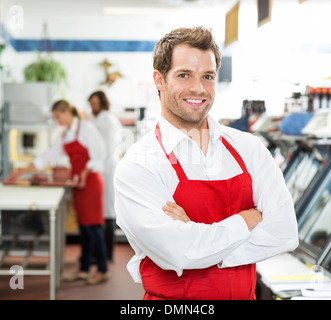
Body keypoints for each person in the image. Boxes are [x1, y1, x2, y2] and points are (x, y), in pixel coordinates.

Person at [114, 26, 298, 300]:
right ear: (159, 80)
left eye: (208, 76)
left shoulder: (249, 148)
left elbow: (285, 233)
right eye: (184, 75)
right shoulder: (139, 165)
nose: (198, 88)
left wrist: (198, 239)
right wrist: (246, 220)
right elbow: (177, 251)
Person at [18, 100, 110, 285]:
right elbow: (47, 157)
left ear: (67, 112)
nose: (56, 119)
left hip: (90, 182)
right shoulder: (65, 135)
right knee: (83, 228)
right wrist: (20, 172)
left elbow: (99, 155)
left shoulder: (86, 128)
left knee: (93, 227)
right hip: (78, 184)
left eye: (57, 116)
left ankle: (102, 269)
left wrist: (83, 173)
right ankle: (84, 269)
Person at [88, 90, 122, 262]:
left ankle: (107, 254)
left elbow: (106, 150)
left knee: (108, 212)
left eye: (95, 103)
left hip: (107, 170)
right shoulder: (98, 119)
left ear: (102, 102)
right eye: (91, 103)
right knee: (101, 212)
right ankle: (100, 253)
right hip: (101, 170)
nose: (92, 107)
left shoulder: (107, 120)